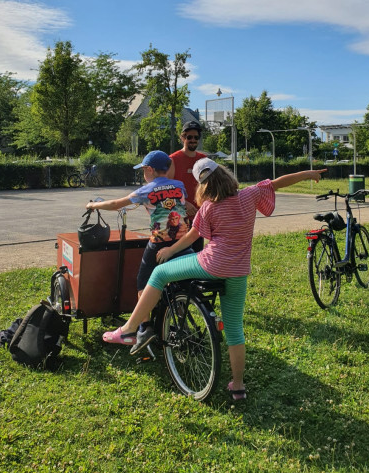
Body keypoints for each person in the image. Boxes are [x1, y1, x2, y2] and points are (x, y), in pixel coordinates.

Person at [102, 158, 327, 400]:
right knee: (234, 330)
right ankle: (238, 386)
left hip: (210, 265)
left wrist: (168, 251)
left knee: (158, 273)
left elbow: (191, 237)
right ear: (225, 175)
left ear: (202, 185)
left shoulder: (209, 207)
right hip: (238, 271)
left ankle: (129, 329)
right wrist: (309, 174)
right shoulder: (249, 195)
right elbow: (278, 182)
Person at [85, 150, 193, 346]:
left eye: (143, 170)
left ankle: (143, 328)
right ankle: (180, 319)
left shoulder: (147, 190)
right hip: (182, 242)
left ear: (150, 170)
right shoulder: (180, 185)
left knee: (143, 283)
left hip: (160, 243)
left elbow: (118, 204)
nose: (143, 174)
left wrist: (94, 206)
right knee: (179, 282)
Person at [168, 120, 206, 252]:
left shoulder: (203, 160)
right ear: (182, 137)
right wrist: (183, 203)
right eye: (189, 137)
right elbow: (167, 188)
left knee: (197, 256)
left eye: (196, 137)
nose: (193, 140)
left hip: (199, 218)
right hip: (178, 220)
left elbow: (210, 186)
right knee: (178, 257)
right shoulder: (173, 159)